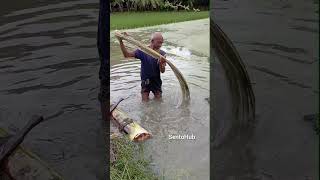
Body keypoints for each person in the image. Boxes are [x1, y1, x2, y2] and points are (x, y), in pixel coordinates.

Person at [116, 32, 167, 102]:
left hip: (156, 81)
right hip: (145, 81)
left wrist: (161, 64)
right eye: (159, 42)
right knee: (145, 102)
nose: (160, 45)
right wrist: (121, 41)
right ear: (152, 41)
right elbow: (126, 55)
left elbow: (162, 71)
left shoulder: (162, 54)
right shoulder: (142, 51)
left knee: (159, 101)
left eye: (161, 43)